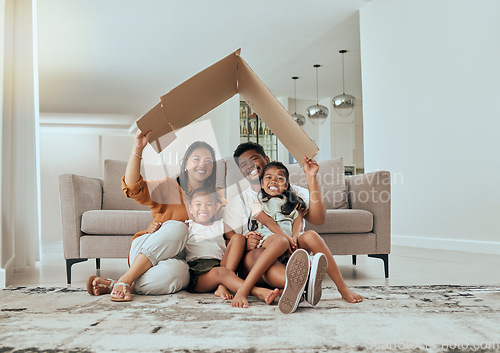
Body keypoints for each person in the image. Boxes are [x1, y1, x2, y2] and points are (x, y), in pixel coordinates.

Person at [224, 142, 363, 309]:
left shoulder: (293, 193)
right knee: (274, 247)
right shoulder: (240, 200)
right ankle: (305, 282)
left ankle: (340, 287)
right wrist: (246, 242)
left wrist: (311, 177)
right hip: (256, 257)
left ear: (266, 159)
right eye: (243, 165)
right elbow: (230, 237)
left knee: (311, 235)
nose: (249, 167)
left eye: (253, 160)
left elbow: (318, 219)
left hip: (292, 253)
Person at [86, 130, 221, 301]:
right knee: (179, 228)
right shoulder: (168, 186)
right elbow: (134, 187)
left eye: (208, 161)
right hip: (148, 248)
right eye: (196, 159)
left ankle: (117, 285)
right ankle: (127, 279)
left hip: (179, 259)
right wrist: (138, 150)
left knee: (181, 274)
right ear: (185, 164)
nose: (202, 164)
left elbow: (224, 233)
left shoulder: (217, 198)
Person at [184, 187, 280, 306]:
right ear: (190, 209)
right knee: (220, 272)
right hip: (199, 272)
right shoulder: (187, 226)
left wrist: (247, 236)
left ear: (215, 208)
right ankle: (258, 292)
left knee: (238, 238)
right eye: (198, 204)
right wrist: (156, 227)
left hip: (221, 265)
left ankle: (223, 285)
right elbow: (170, 238)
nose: (203, 208)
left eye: (208, 204)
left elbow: (238, 240)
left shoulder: (221, 225)